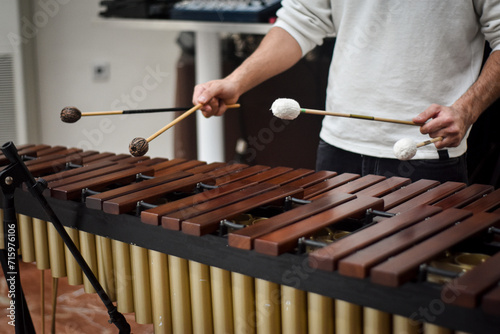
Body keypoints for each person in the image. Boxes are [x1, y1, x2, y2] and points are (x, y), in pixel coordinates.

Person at [192, 1, 500, 183]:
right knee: (336, 283)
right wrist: (236, 82)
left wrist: (467, 109)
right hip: (337, 148)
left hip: (426, 150)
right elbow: (302, 19)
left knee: (414, 289)